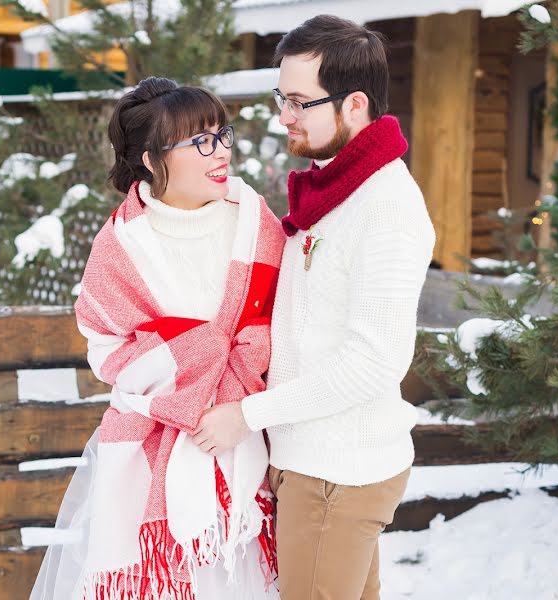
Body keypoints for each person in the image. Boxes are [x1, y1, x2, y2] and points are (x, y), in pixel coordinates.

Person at [192, 15, 436, 600]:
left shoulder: (386, 208)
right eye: (283, 97)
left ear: (354, 105)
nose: (284, 117)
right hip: (312, 462)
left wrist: (246, 415)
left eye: (300, 102)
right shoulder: (334, 188)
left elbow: (374, 363)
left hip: (337, 474)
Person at [30, 76, 282, 600]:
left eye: (223, 133)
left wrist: (237, 404)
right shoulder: (121, 247)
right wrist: (188, 369)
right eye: (200, 141)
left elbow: (282, 329)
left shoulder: (257, 226)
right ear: (150, 159)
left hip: (252, 441)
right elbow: (106, 346)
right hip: (154, 447)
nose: (222, 152)